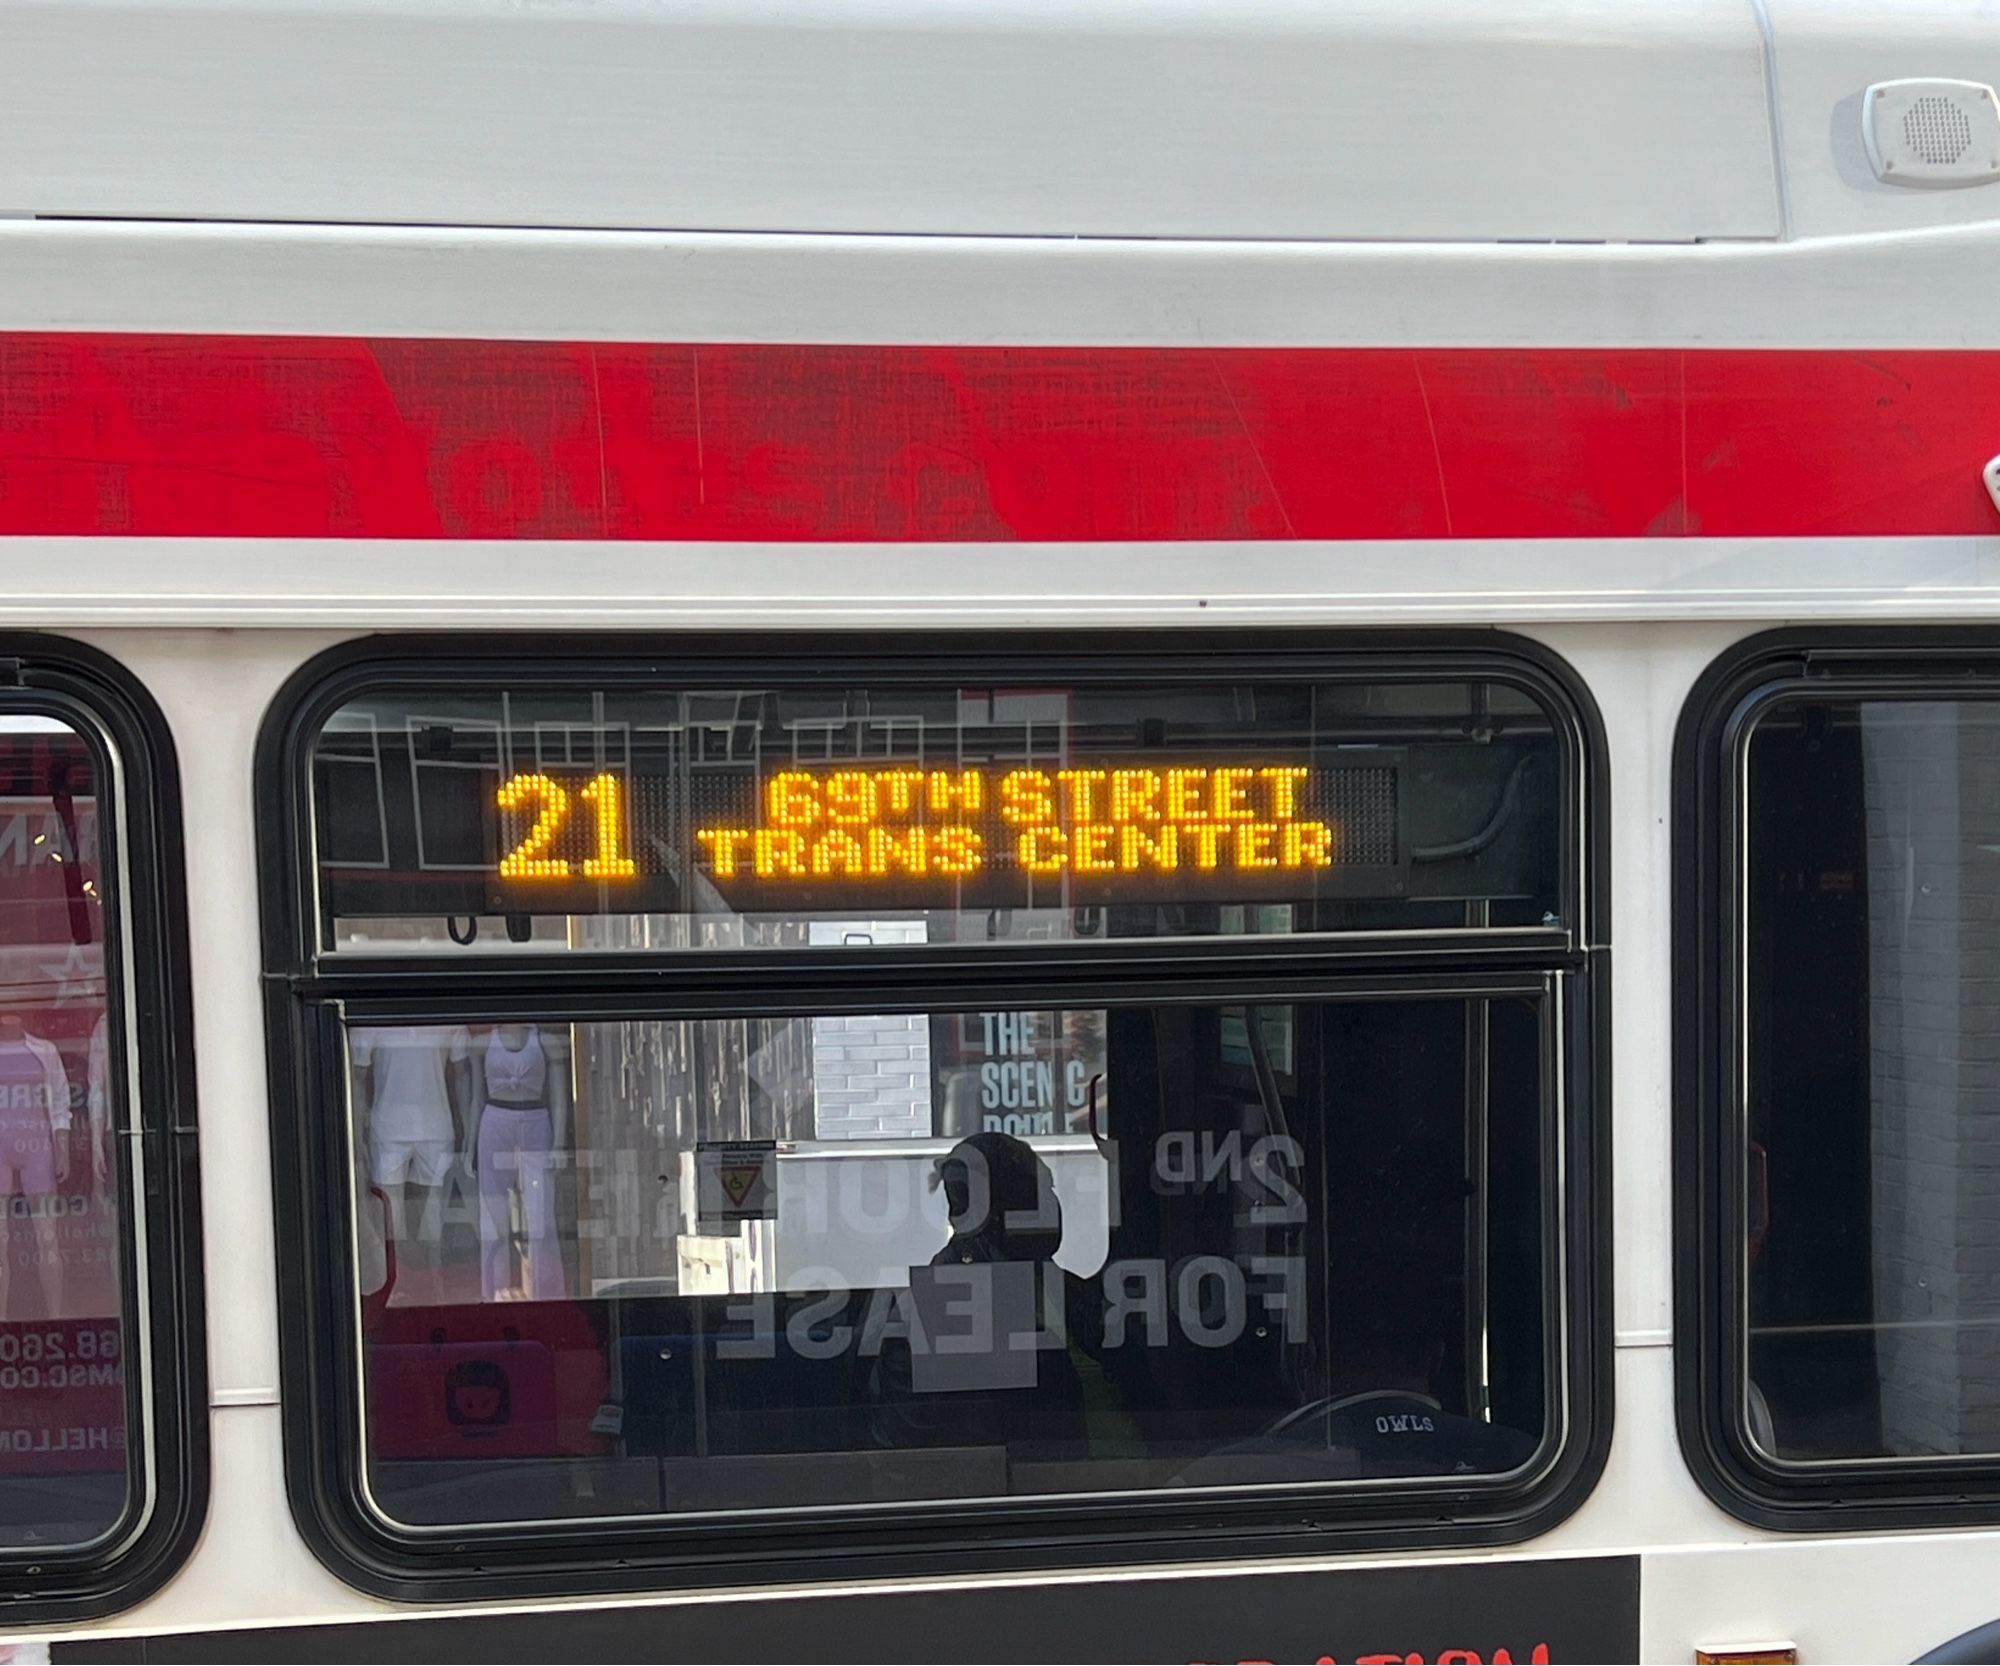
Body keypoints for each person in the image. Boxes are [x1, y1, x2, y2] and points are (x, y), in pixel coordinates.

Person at [866, 1131, 1087, 1459]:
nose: (1051, 1202)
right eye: (1039, 1189)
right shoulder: (944, 1306)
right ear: (1014, 1202)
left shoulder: (1056, 1290)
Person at [350, 1024, 471, 1294]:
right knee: (393, 1220)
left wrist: (467, 1129)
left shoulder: (447, 1018)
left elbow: (463, 1075)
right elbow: (356, 1078)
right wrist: (357, 1134)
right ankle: (395, 1288)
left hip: (435, 1127)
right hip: (389, 1128)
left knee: (433, 1219)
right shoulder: (375, 1018)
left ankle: (435, 1287)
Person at [465, 1023, 569, 1302]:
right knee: (493, 1218)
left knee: (541, 1216)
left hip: (535, 1122)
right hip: (494, 1122)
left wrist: (559, 1143)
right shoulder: (483, 1044)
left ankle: (546, 1296)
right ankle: (492, 1297)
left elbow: (560, 1099)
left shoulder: (547, 1042)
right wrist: (470, 1144)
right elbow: (477, 1098)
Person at [0, 1010, 73, 1320]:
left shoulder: (44, 1050)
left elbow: (59, 1101)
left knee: (47, 1237)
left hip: (37, 1146)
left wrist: (63, 1148)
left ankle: (56, 1317)